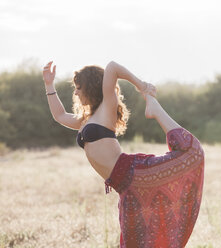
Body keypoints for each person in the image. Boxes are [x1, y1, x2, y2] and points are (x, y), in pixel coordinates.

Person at [42, 60, 205, 248]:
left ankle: (154, 108)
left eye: (79, 88)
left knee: (192, 152)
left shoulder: (106, 109)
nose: (76, 92)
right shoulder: (86, 119)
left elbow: (112, 67)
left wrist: (143, 87)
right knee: (134, 242)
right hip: (125, 187)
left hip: (135, 172)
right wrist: (49, 84)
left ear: (91, 87)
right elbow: (60, 115)